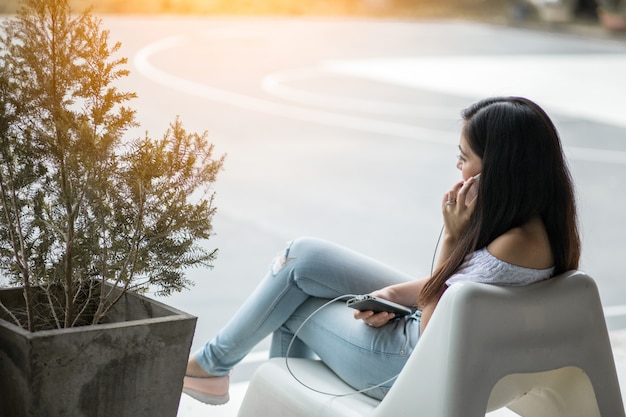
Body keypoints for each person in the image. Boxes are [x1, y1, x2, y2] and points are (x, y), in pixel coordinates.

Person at [182, 96, 581, 405]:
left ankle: (212, 367)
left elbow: (433, 337)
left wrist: (450, 239)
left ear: (500, 168)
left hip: (408, 364)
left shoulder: (517, 243)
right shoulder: (535, 225)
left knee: (291, 308)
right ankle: (212, 367)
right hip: (433, 336)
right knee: (303, 257)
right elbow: (466, 289)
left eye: (464, 159)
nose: (458, 170)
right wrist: (391, 296)